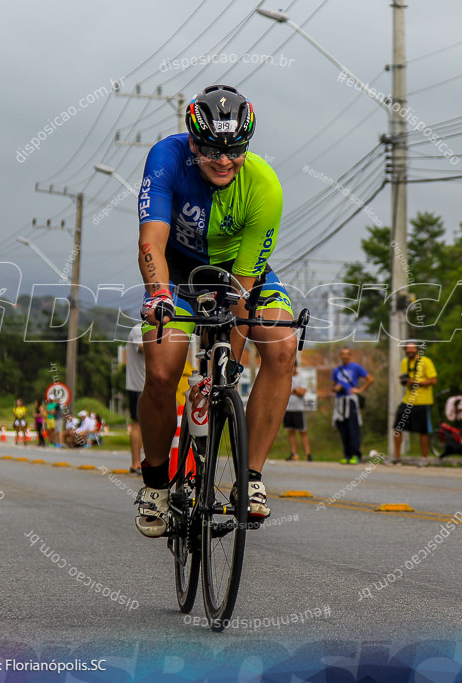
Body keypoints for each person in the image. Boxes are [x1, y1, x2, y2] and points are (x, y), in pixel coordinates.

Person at [134, 84, 298, 537]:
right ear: (192, 141)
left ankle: (251, 479)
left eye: (235, 150)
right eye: (211, 149)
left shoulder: (264, 185)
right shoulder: (166, 158)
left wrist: (231, 362)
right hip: (180, 275)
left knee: (283, 347)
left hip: (239, 275)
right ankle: (155, 483)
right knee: (163, 369)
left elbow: (242, 290)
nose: (224, 160)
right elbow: (152, 241)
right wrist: (158, 295)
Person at [393, 342, 437, 466]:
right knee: (397, 427)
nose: (410, 350)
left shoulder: (426, 361)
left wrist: (415, 382)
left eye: (412, 348)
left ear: (417, 349)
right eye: (407, 348)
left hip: (423, 401)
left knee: (423, 431)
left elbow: (433, 380)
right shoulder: (404, 362)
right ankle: (396, 458)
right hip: (408, 399)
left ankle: (424, 458)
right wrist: (404, 381)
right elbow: (405, 379)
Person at [331, 347, 374, 465]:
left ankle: (356, 455)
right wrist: (336, 388)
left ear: (350, 355)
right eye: (343, 354)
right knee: (343, 429)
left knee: (352, 429)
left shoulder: (355, 367)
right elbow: (332, 386)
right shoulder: (337, 370)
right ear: (340, 356)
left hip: (351, 402)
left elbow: (370, 379)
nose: (345, 356)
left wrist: (360, 390)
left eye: (347, 354)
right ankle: (347, 455)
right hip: (340, 402)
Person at [125, 322, 145, 474]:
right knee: (137, 424)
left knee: (150, 425)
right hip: (138, 385)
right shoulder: (139, 329)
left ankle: (146, 462)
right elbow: (144, 347)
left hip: (150, 385)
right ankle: (135, 463)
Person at [284, 359, 311, 461]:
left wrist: (294, 390)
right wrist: (295, 390)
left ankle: (308, 454)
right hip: (288, 408)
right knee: (291, 431)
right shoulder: (286, 378)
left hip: (298, 409)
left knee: (302, 431)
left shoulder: (301, 378)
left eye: (294, 366)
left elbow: (302, 392)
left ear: (297, 367)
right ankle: (294, 454)